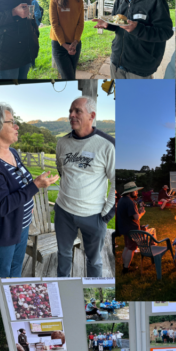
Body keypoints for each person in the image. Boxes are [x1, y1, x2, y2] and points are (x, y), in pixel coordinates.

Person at [0, 104, 60, 277]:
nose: (17, 126)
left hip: (22, 224)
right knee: (1, 274)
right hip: (3, 231)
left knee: (15, 271)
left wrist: (32, 193)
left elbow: (22, 184)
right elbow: (0, 206)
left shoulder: (12, 152)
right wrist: (35, 186)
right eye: (11, 122)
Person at [55, 96, 115, 277]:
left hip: (94, 216)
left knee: (94, 260)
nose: (71, 115)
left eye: (77, 111)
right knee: (63, 254)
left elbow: (117, 181)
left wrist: (106, 215)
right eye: (70, 111)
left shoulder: (107, 145)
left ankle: (94, 293)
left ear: (92, 115)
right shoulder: (62, 143)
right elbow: (62, 171)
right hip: (64, 212)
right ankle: (63, 288)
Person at [94, 0, 174, 79]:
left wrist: (138, 28)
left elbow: (166, 32)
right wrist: (108, 25)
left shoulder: (156, 1)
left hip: (140, 67)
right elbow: (118, 25)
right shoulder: (120, 0)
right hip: (116, 62)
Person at [48, 0, 85, 80]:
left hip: (75, 44)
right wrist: (64, 45)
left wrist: (74, 42)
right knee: (68, 77)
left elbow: (80, 23)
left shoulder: (79, 1)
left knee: (71, 75)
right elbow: (55, 24)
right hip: (59, 45)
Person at [117, 181, 145, 273]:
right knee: (132, 248)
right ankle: (126, 269)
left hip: (125, 227)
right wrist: (141, 213)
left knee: (127, 247)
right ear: (130, 192)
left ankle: (125, 264)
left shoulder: (122, 199)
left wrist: (137, 211)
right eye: (135, 191)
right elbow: (136, 217)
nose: (137, 192)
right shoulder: (130, 202)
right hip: (131, 229)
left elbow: (130, 213)